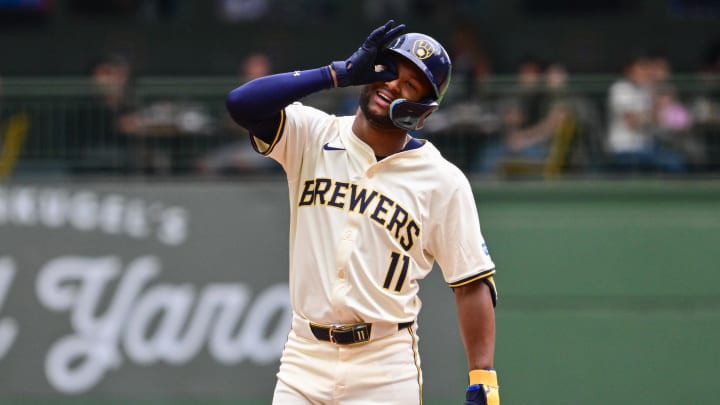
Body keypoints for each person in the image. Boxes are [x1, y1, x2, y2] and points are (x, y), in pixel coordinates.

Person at [226, 20, 499, 405]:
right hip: (304, 357)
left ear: (421, 111)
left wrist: (482, 377)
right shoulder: (311, 135)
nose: (392, 86)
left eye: (409, 86)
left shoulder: (442, 181)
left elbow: (471, 283)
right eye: (389, 72)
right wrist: (336, 74)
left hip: (384, 364)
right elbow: (242, 104)